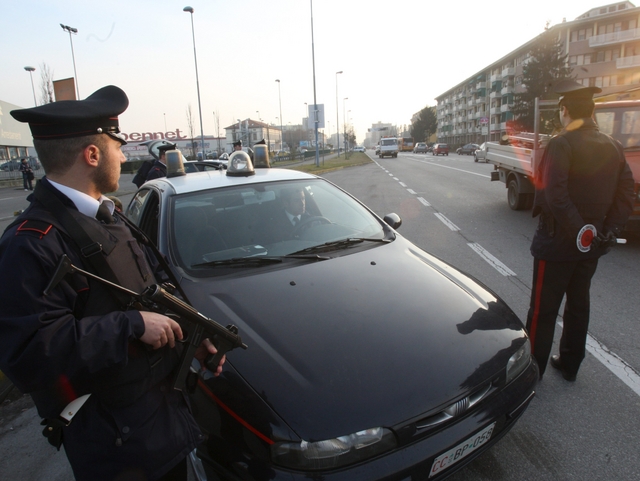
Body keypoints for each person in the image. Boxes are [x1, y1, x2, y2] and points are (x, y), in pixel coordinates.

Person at [0, 85, 225, 481]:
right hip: (116, 450)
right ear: (92, 155)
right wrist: (131, 326)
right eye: (116, 146)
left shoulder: (107, 216)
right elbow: (29, 355)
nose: (123, 156)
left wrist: (195, 334)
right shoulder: (30, 244)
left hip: (156, 422)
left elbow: (151, 292)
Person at [525, 79, 635, 382]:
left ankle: (533, 369)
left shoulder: (562, 143)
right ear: (592, 111)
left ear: (564, 110)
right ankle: (570, 363)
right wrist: (605, 230)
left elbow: (555, 196)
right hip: (591, 245)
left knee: (543, 311)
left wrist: (581, 229)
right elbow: (627, 193)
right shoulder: (613, 145)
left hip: (558, 242)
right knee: (578, 304)